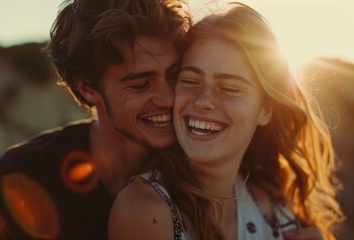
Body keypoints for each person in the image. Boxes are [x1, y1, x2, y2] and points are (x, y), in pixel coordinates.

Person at [108, 3, 343, 240]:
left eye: (230, 88)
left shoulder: (278, 208)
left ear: (265, 110)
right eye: (190, 81)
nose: (203, 101)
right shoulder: (145, 211)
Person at [0, 0, 192, 239]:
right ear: (88, 88)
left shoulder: (201, 165)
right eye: (140, 85)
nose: (169, 98)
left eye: (174, 74)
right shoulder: (28, 173)